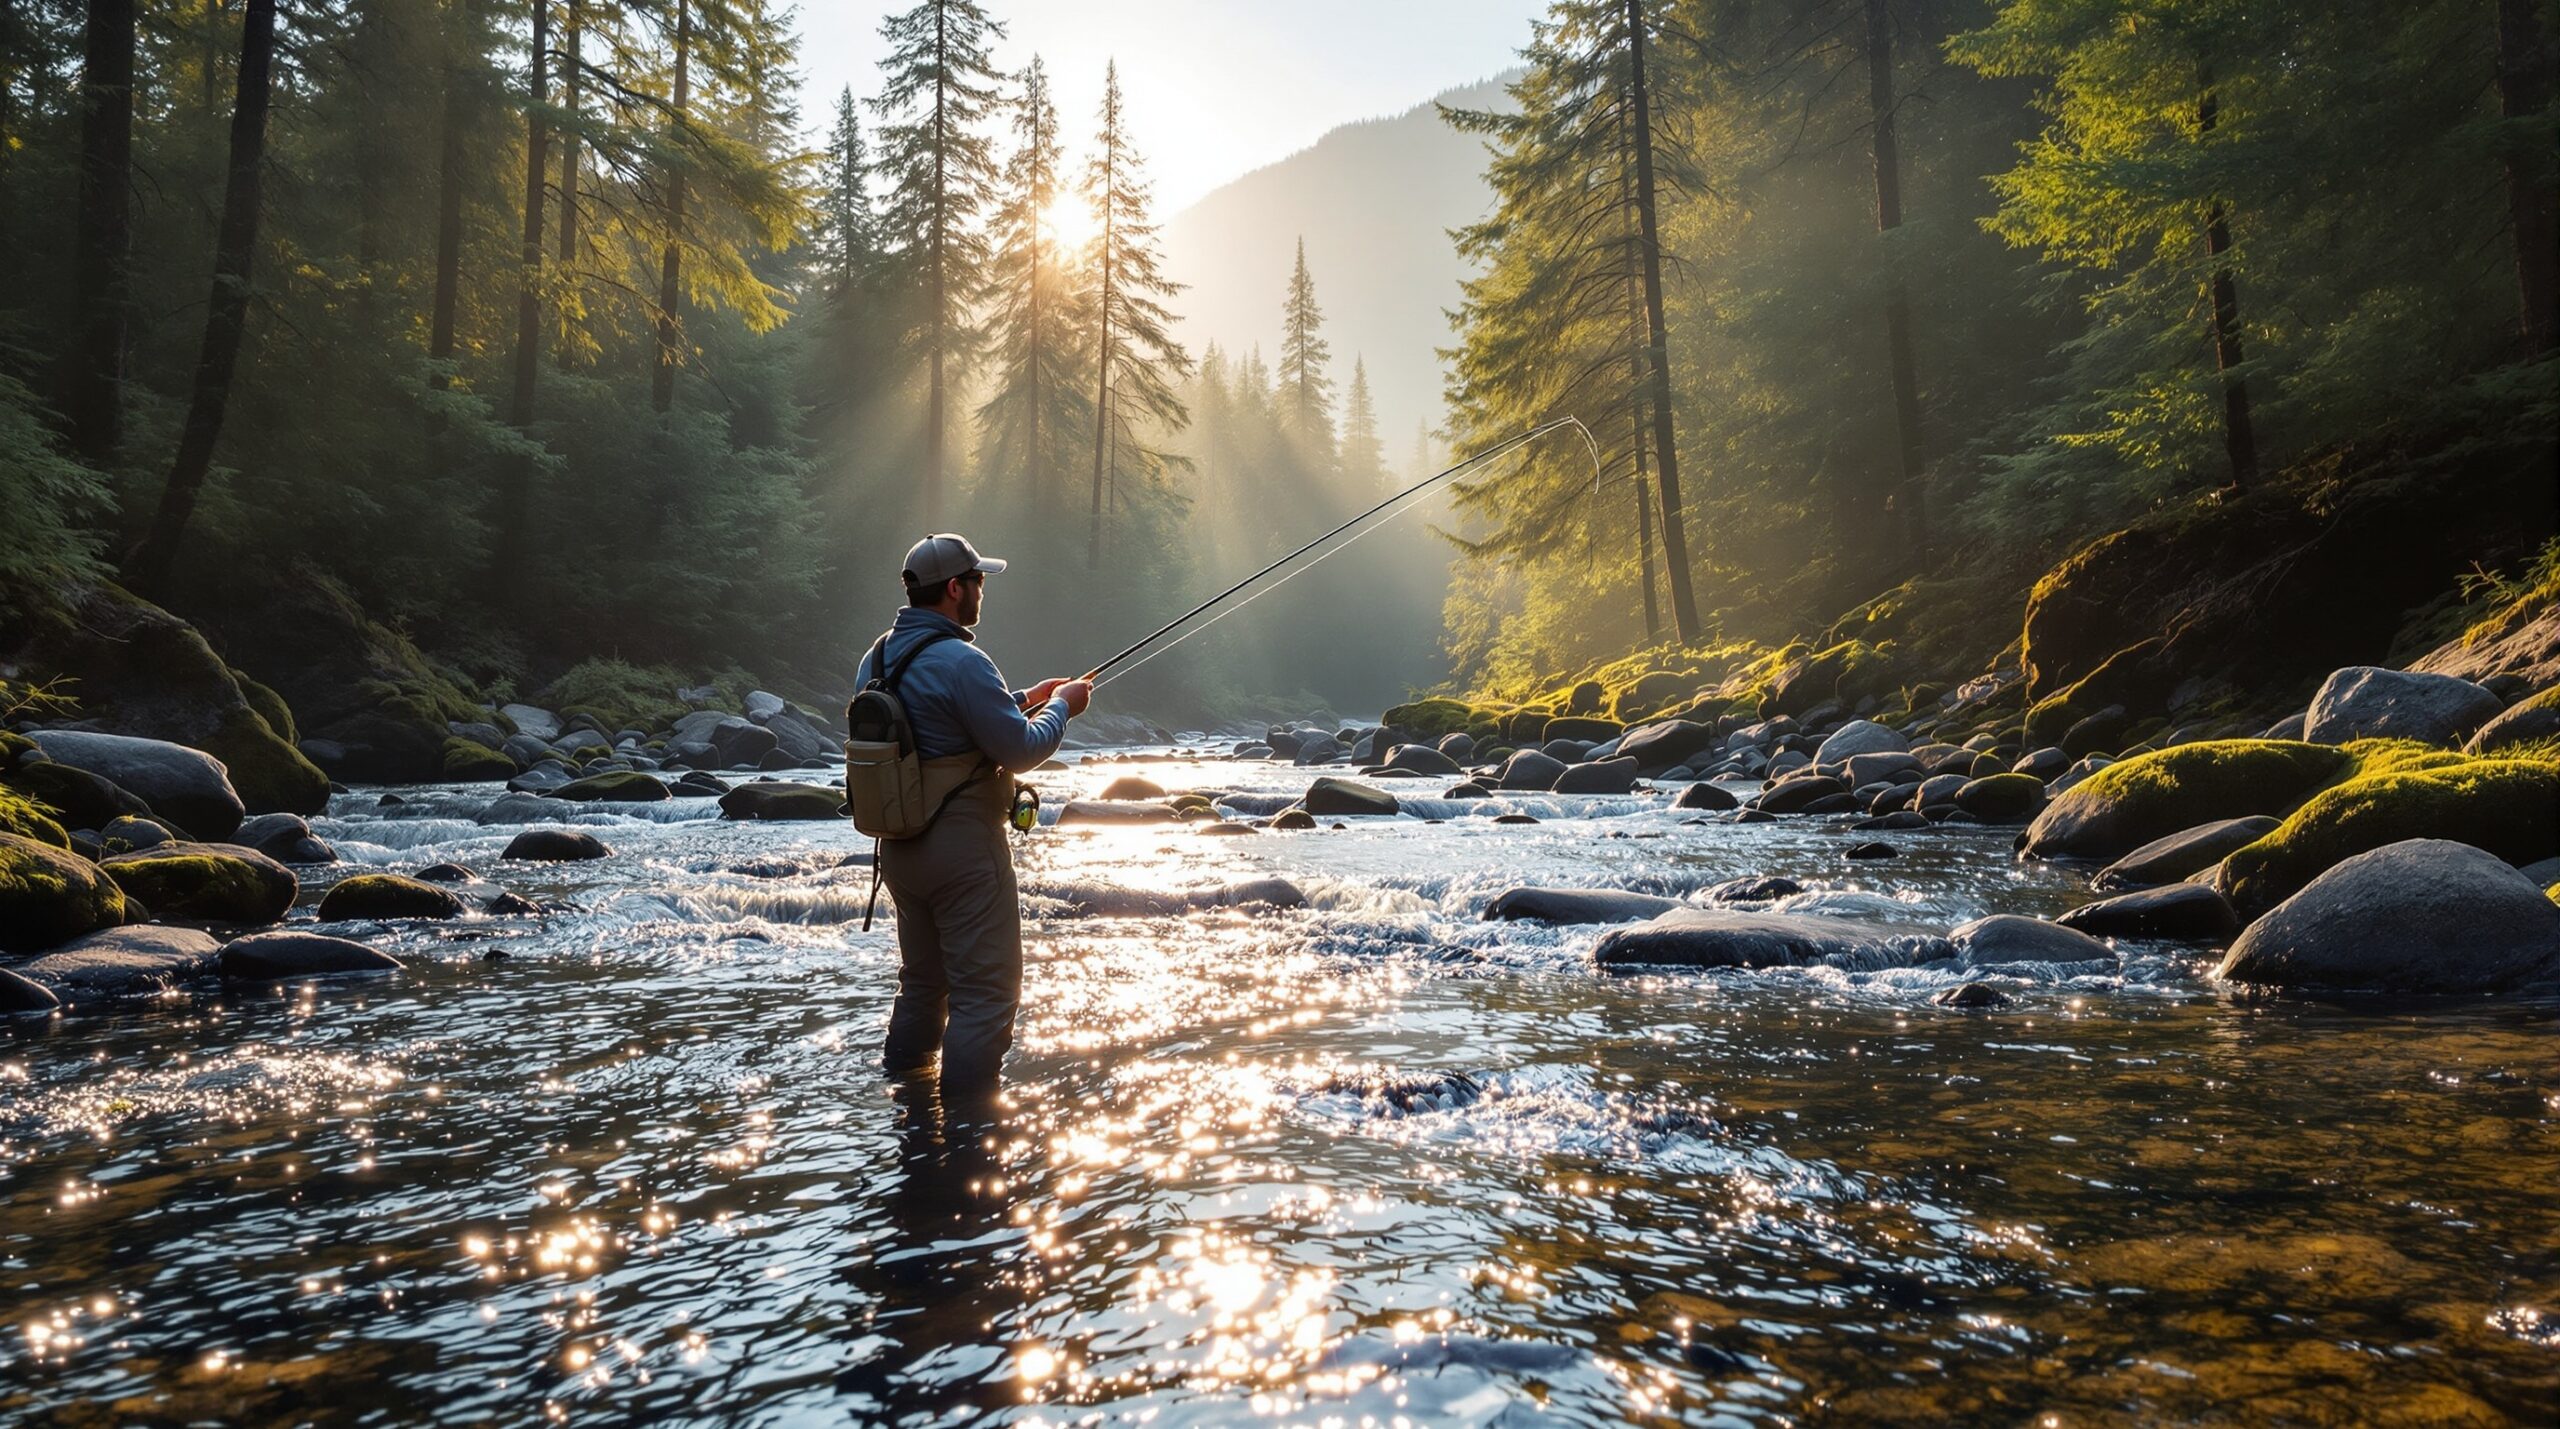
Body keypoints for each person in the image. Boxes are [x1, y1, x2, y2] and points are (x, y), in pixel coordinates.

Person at [856, 532, 1091, 1095]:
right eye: (979, 580)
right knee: (985, 993)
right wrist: (1062, 708)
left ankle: (905, 1094)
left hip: (899, 849)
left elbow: (934, 725)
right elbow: (1021, 750)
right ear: (955, 588)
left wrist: (1022, 697)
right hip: (961, 850)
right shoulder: (964, 659)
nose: (984, 590)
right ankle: (968, 1129)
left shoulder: (879, 655)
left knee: (922, 983)